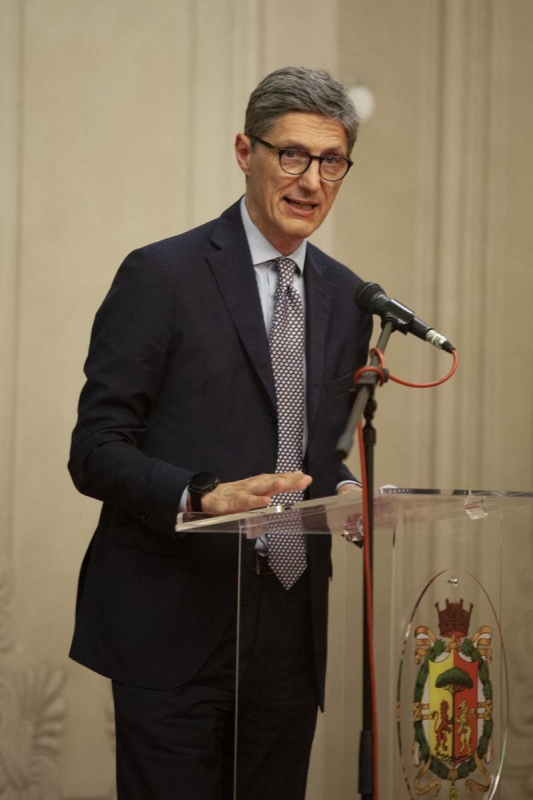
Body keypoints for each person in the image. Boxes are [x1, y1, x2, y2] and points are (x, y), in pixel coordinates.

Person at [69, 66, 372, 799]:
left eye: (331, 161)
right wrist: (201, 495)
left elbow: (309, 448)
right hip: (175, 621)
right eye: (292, 155)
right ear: (245, 151)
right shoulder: (161, 275)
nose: (311, 181)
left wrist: (346, 492)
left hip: (291, 627)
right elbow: (95, 449)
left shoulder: (347, 296)